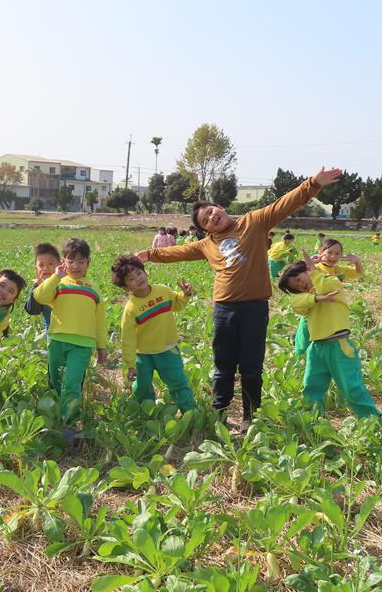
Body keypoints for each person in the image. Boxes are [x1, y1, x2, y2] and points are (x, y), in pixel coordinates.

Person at [137, 167, 343, 429]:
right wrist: (149, 255)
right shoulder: (207, 245)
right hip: (224, 309)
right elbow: (179, 252)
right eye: (206, 220)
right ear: (206, 230)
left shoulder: (253, 222)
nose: (212, 217)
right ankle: (219, 414)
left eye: (212, 211)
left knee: (251, 365)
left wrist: (312, 184)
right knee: (223, 364)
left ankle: (250, 417)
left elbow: (284, 204)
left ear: (221, 207)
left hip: (254, 308)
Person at [278, 260, 380, 418]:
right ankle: (312, 419)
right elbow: (296, 303)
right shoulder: (308, 299)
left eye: (299, 279)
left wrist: (315, 274)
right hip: (317, 347)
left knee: (351, 387)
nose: (300, 285)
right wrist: (317, 298)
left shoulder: (331, 282)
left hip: (339, 344)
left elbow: (327, 286)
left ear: (308, 270)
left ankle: (373, 419)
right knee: (312, 386)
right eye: (296, 287)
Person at [33, 237, 108, 433]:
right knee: (56, 381)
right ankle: (56, 416)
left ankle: (70, 423)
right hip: (57, 340)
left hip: (82, 345)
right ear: (63, 262)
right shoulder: (58, 284)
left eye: (81, 261)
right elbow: (39, 296)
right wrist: (55, 277)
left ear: (88, 262)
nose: (75, 266)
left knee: (72, 383)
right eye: (71, 261)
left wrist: (102, 346)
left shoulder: (94, 289)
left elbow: (100, 320)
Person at [112, 254, 197, 413]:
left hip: (168, 349)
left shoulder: (163, 291)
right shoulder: (131, 309)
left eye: (139, 273)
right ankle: (146, 413)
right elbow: (128, 339)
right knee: (142, 386)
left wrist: (185, 295)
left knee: (178, 382)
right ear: (126, 288)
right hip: (143, 355)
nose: (138, 279)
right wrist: (130, 364)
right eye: (131, 279)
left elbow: (177, 304)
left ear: (145, 272)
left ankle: (190, 412)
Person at [23, 242, 59, 329]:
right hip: (52, 334)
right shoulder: (39, 288)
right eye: (41, 265)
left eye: (50, 264)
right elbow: (33, 310)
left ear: (59, 265)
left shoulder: (66, 283)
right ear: (36, 269)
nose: (46, 268)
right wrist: (36, 287)